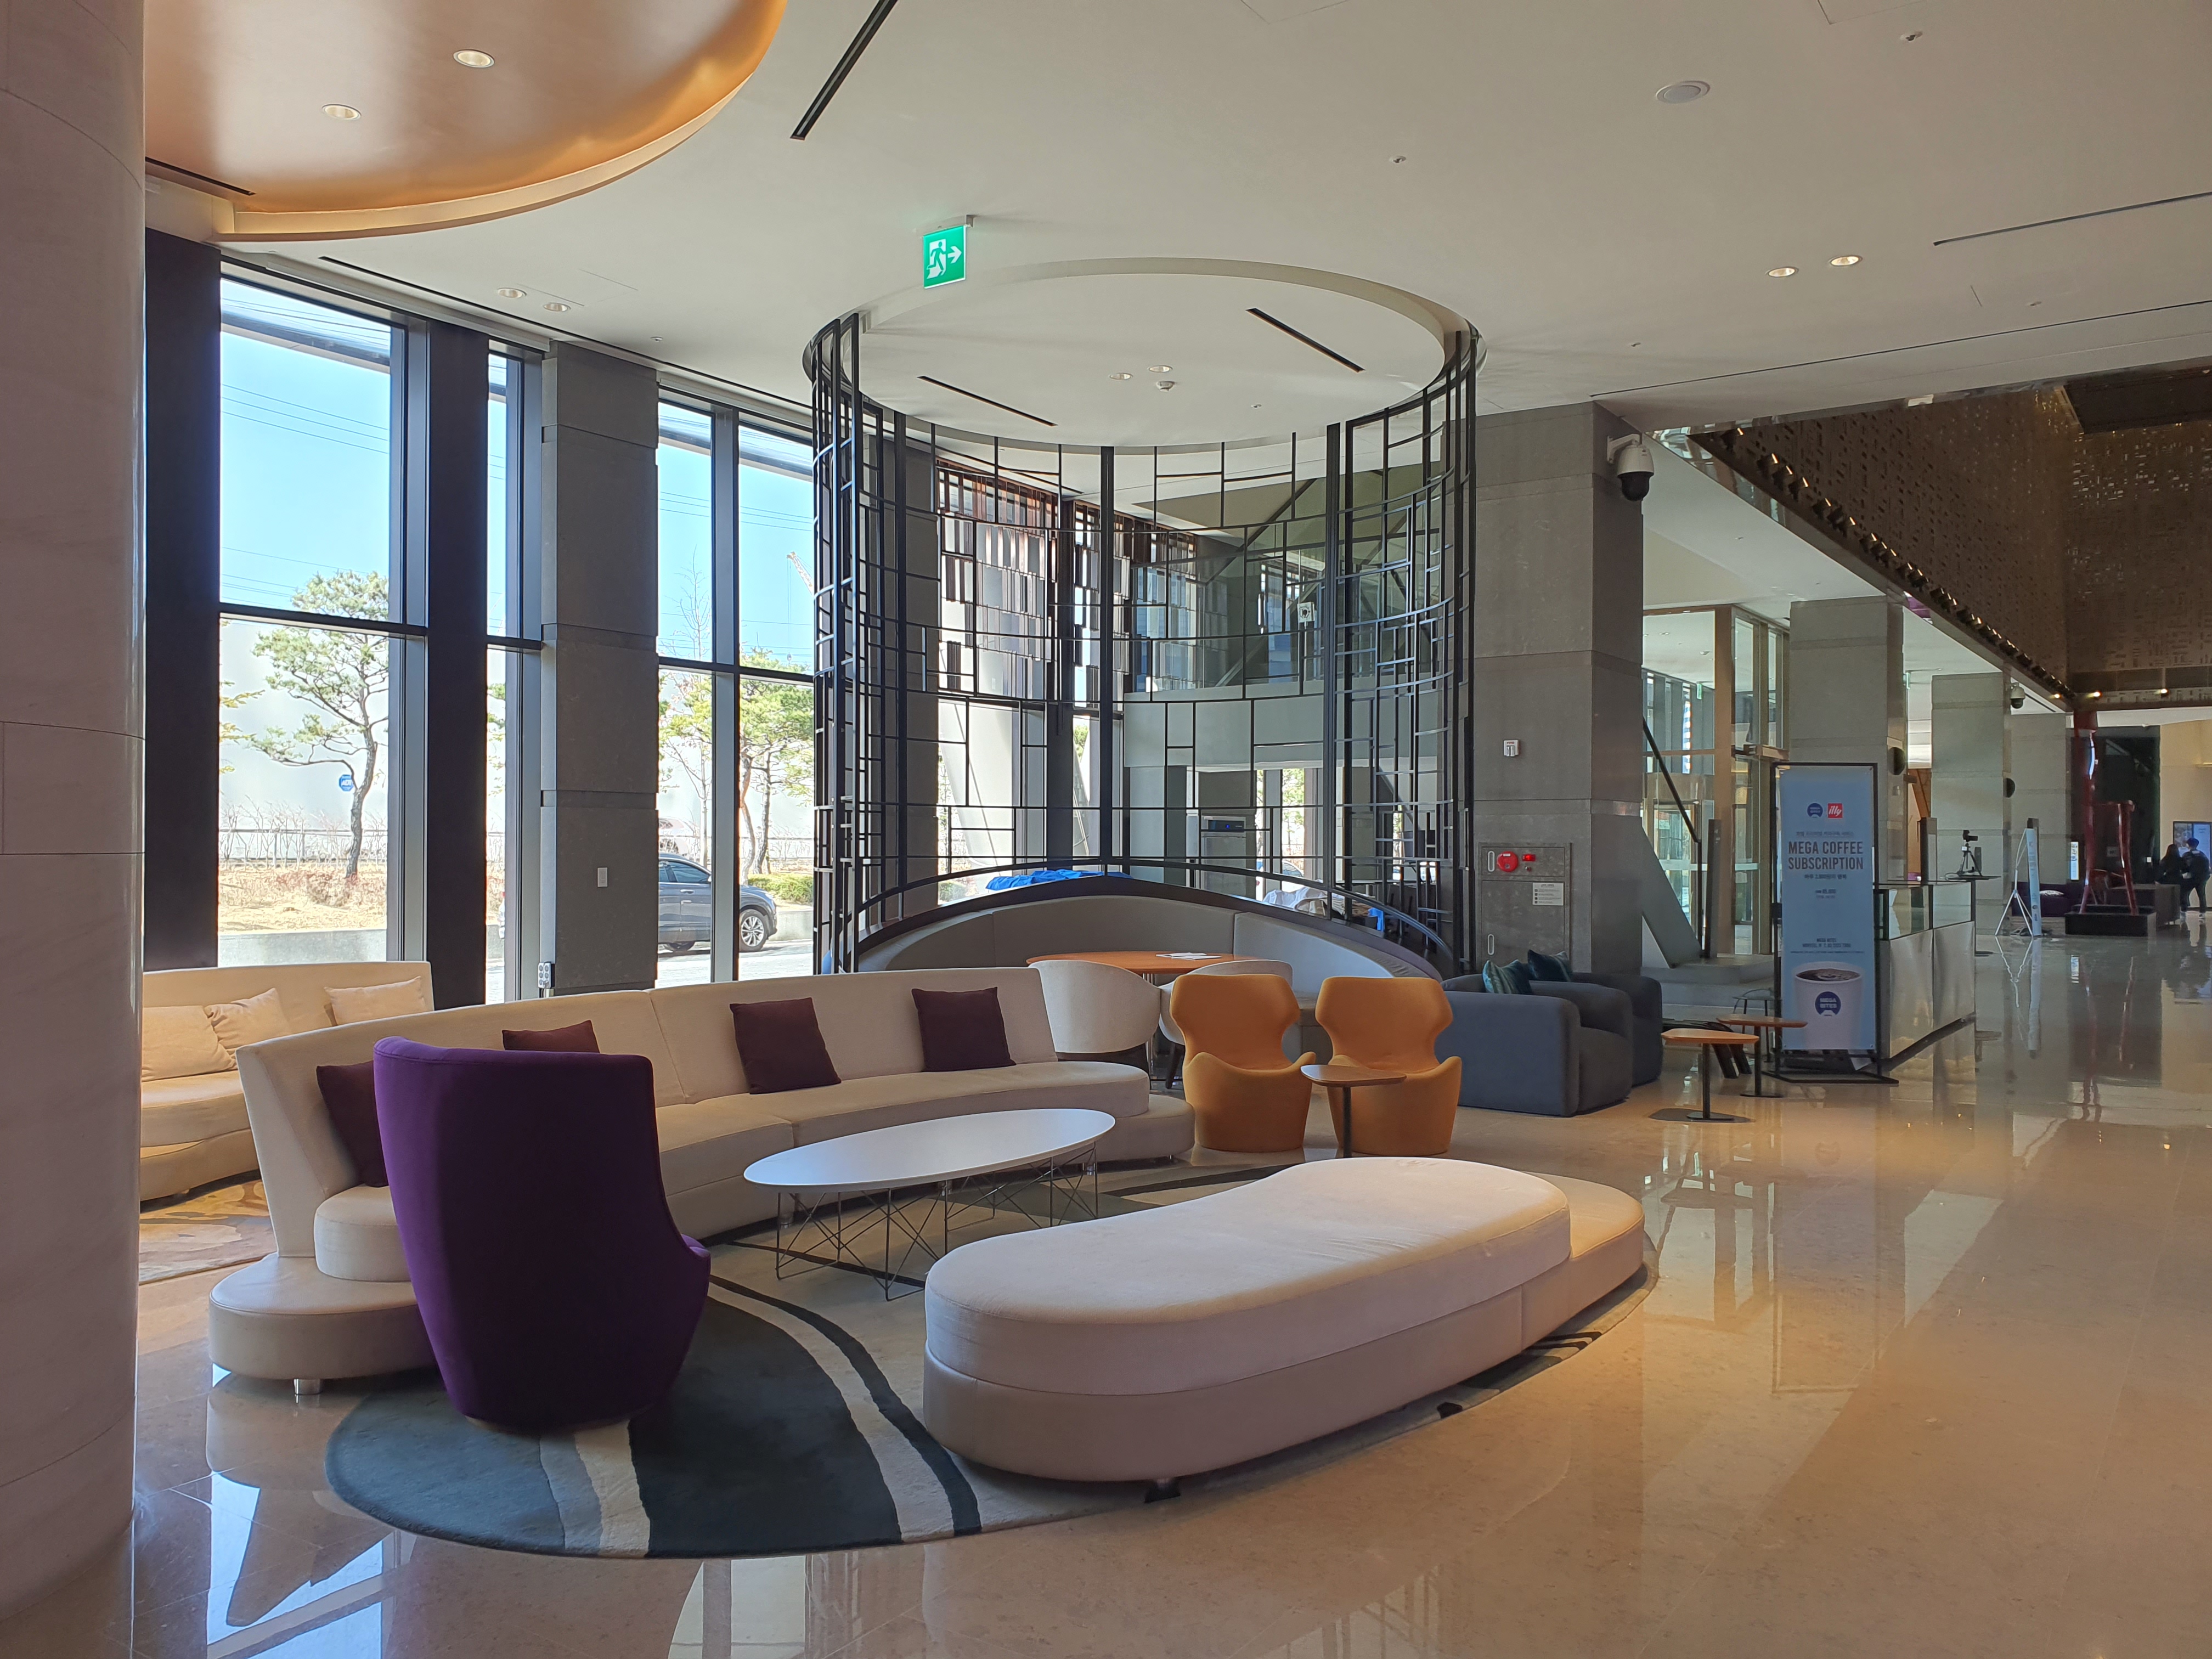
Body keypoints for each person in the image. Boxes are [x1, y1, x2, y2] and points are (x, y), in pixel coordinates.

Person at [2186, 841, 2210, 913]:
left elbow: (2184, 866)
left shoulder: (2187, 855)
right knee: (2202, 895)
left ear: (2188, 845)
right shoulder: (2202, 854)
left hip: (2192, 878)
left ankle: (2184, 909)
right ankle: (2203, 912)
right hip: (2202, 878)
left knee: (2185, 893)